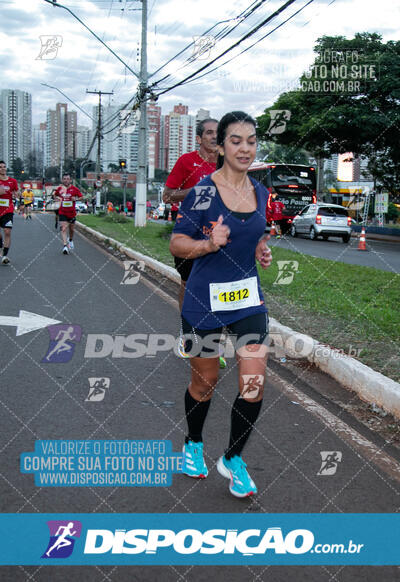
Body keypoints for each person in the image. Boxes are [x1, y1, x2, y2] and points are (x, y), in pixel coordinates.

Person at [170, 111, 272, 498]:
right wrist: (209, 244)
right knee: (204, 382)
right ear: (221, 146)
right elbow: (177, 243)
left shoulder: (261, 192)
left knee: (253, 382)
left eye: (250, 141)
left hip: (248, 300)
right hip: (203, 302)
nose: (245, 148)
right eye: (236, 141)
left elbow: (256, 234)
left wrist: (261, 249)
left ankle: (232, 458)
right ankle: (193, 443)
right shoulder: (203, 192)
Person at [54, 173, 83, 254]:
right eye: (64, 179)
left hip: (71, 213)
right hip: (62, 211)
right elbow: (55, 196)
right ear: (62, 180)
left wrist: (76, 198)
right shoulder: (59, 189)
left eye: (67, 179)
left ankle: (70, 240)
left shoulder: (74, 189)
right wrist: (56, 198)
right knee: (63, 228)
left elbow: (81, 197)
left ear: (70, 180)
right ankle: (65, 246)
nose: (66, 180)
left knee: (71, 229)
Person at [0, 160, 18, 264]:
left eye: (4, 167)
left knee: (7, 231)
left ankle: (5, 256)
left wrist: (17, 195)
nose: (3, 168)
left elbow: (16, 193)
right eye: (0, 167)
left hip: (8, 210)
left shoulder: (12, 181)